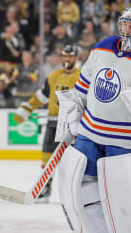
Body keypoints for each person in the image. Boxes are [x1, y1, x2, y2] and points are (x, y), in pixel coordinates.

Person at [56, 3, 131, 233]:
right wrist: (72, 113)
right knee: (83, 192)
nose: (126, 29)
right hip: (90, 133)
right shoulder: (103, 47)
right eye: (124, 24)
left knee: (121, 202)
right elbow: (82, 89)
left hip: (128, 140)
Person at [12, 45, 80, 201]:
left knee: (73, 159)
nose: (67, 59)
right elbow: (42, 96)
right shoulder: (53, 76)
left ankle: (74, 189)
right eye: (65, 56)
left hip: (72, 125)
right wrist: (26, 109)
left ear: (75, 58)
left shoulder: (81, 76)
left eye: (70, 56)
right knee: (46, 157)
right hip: (52, 123)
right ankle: (45, 187)